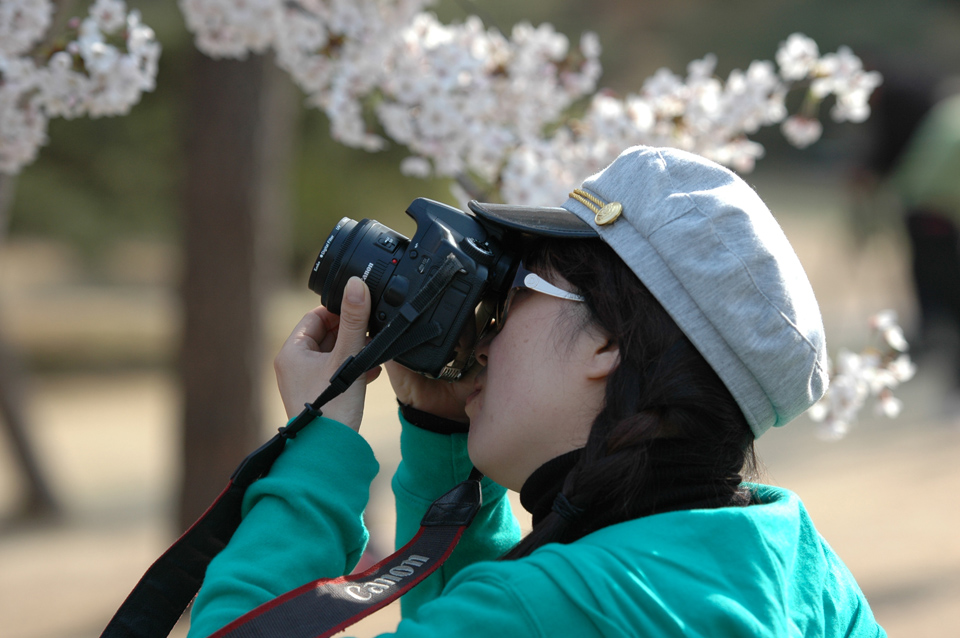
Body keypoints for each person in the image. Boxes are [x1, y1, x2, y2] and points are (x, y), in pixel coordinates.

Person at [186, 146, 885, 637]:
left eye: (517, 292)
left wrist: (319, 450)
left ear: (607, 343)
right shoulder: (808, 573)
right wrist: (440, 438)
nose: (483, 337)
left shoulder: (533, 609)